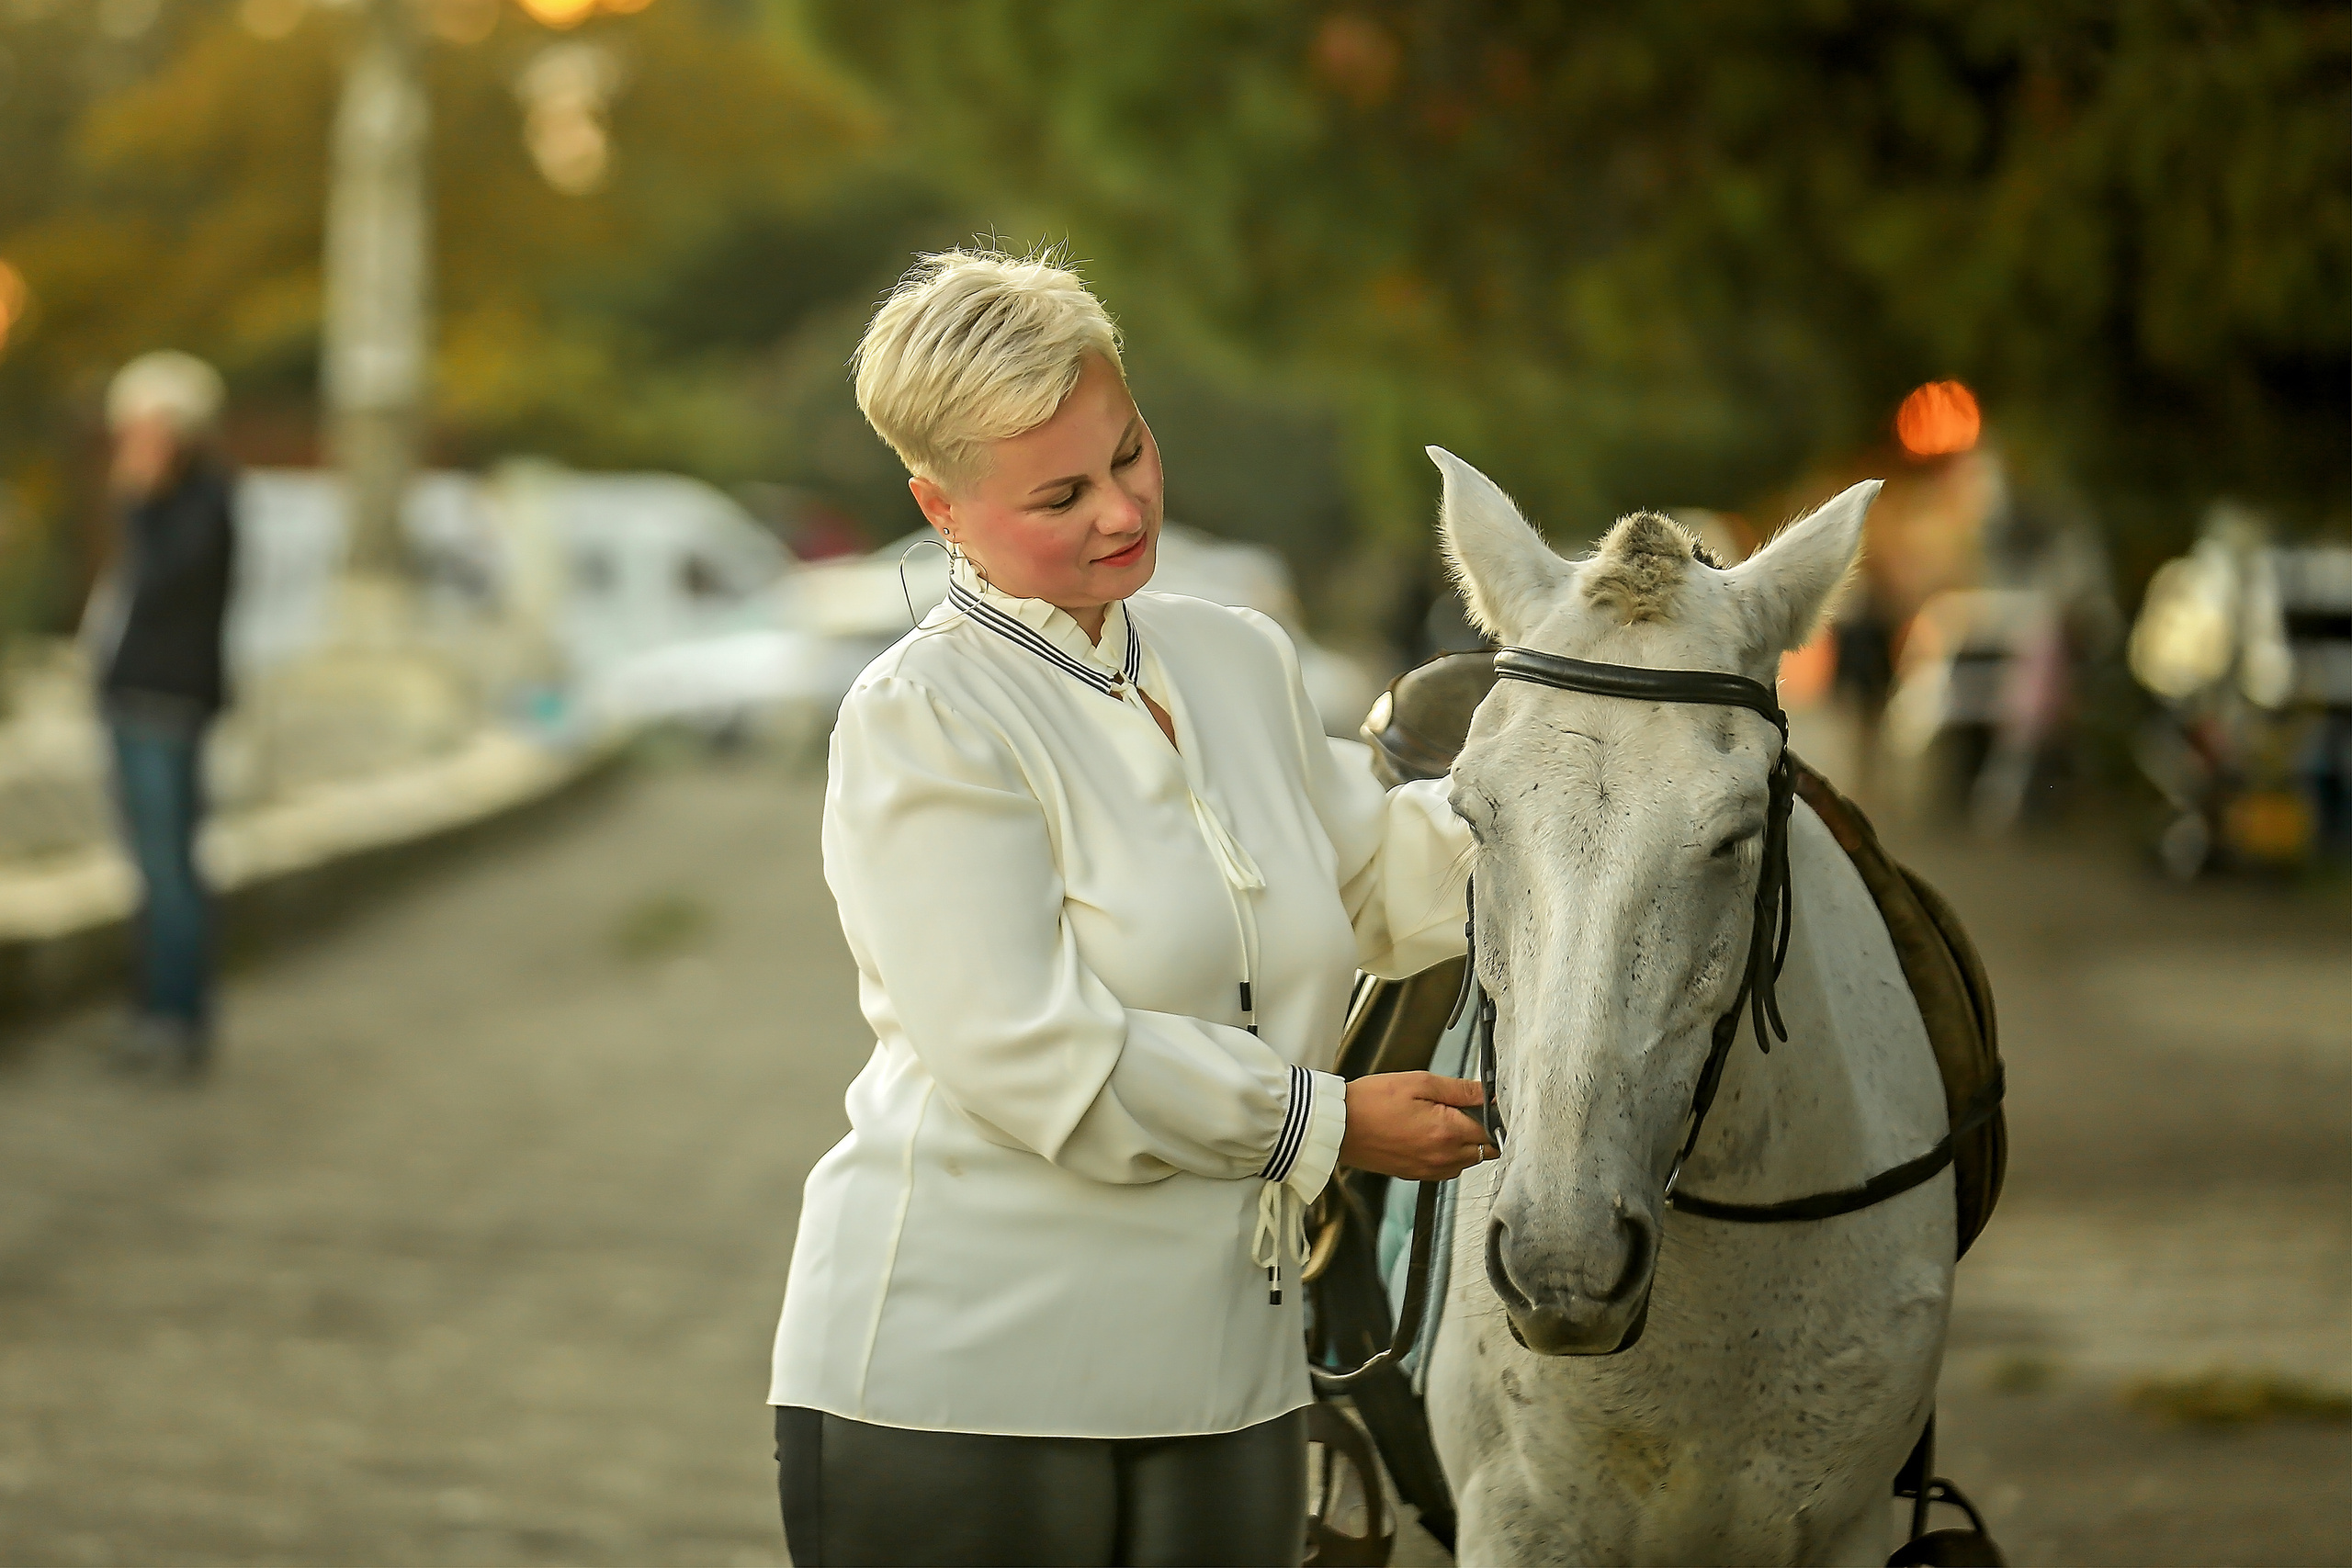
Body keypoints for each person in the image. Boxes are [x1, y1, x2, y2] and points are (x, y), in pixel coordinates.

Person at [767, 251, 1492, 1567]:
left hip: (1233, 1373)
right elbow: (1024, 1042)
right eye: (1060, 493)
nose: (1122, 508)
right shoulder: (922, 715)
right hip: (966, 1375)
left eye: (1130, 451)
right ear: (941, 506)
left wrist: (1603, 774)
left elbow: (1380, 877)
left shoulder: (1240, 656)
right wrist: (1326, 1122)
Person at [85, 351, 236, 1077]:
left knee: (169, 867)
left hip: (165, 702)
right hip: (134, 698)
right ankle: (155, 1011)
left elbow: (169, 584)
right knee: (151, 866)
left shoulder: (202, 502)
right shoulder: (179, 503)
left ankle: (176, 1019)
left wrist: (140, 499)